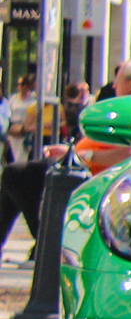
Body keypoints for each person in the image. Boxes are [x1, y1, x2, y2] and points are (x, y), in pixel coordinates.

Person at [0, 79, 91, 265]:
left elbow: (127, 153)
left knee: (15, 174)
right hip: (73, 161)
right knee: (14, 176)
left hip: (83, 169)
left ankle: (47, 245)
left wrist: (82, 153)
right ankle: (42, 247)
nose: (114, 86)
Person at [4, 71, 34, 164]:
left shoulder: (33, 99)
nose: (20, 87)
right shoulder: (13, 98)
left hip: (26, 129)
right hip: (14, 130)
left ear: (28, 86)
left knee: (23, 155)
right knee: (14, 155)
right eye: (18, 84)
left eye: (22, 84)